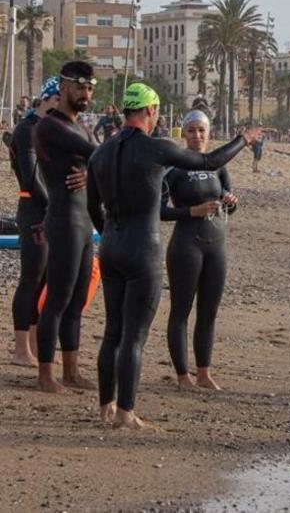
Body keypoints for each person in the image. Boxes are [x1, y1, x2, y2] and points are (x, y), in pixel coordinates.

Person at [87, 84, 261, 428]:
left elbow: (95, 207)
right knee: (134, 336)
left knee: (112, 333)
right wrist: (245, 140)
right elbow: (210, 161)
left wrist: (110, 235)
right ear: (151, 111)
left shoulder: (100, 153)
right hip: (142, 249)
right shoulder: (155, 149)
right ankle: (126, 412)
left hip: (111, 246)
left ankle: (105, 406)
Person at [161, 109, 239, 390]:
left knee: (209, 312)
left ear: (209, 133)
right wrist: (192, 211)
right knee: (181, 311)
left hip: (216, 245)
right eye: (191, 130)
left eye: (202, 130)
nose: (197, 136)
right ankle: (183, 375)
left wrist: (230, 201)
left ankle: (204, 373)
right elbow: (158, 211)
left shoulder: (218, 165)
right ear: (183, 133)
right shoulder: (173, 167)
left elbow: (229, 202)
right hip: (186, 245)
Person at [33, 61, 99, 392]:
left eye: (90, 88)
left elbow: (97, 159)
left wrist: (90, 174)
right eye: (80, 87)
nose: (86, 93)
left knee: (76, 302)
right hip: (63, 221)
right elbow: (99, 153)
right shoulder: (49, 127)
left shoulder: (84, 127)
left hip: (84, 223)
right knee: (57, 298)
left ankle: (72, 371)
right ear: (64, 87)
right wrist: (93, 167)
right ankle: (46, 374)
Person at [9, 79, 79, 366]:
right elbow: (30, 177)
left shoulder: (53, 130)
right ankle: (20, 348)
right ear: (47, 100)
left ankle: (36, 344)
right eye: (57, 101)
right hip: (34, 210)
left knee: (48, 278)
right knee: (32, 276)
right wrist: (54, 206)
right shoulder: (27, 131)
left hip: (53, 211)